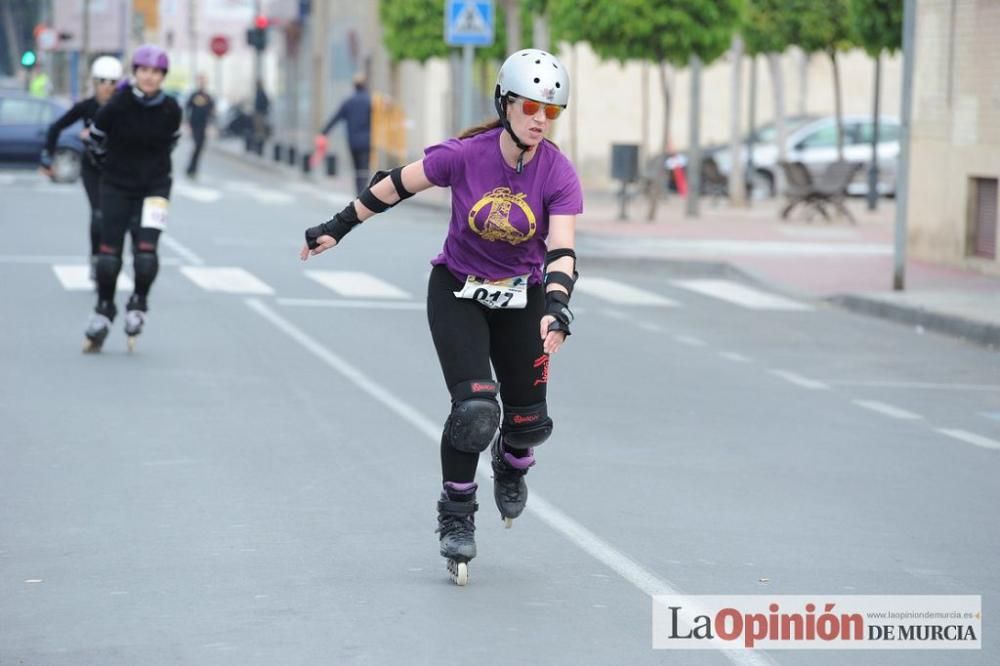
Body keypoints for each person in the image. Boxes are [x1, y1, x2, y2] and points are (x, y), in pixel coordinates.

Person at [300, 50, 582, 585]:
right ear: (504, 104)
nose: (539, 119)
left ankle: (511, 463)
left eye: (552, 110)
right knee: (476, 408)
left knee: (530, 425)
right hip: (457, 292)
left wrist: (558, 304)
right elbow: (392, 185)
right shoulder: (464, 156)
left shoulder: (558, 172)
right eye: (528, 106)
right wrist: (335, 227)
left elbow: (562, 249)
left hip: (523, 298)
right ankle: (456, 516)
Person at [82, 44, 182, 353]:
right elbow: (96, 141)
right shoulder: (117, 104)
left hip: (155, 188)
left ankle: (139, 303)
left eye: (155, 73)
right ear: (135, 73)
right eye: (144, 71)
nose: (149, 77)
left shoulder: (171, 109)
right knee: (109, 255)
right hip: (116, 186)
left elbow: (170, 144)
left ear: (162, 76)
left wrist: (149, 170)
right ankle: (104, 309)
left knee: (145, 253)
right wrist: (111, 168)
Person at [41, 55, 123, 279]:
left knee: (115, 218)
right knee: (98, 215)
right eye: (103, 81)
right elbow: (55, 127)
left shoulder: (123, 108)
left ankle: (112, 256)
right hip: (93, 169)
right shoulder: (86, 107)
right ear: (95, 83)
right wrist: (47, 157)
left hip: (117, 170)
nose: (107, 87)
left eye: (113, 82)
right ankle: (96, 258)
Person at [317, 72, 372, 195]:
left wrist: (324, 132)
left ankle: (358, 192)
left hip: (352, 141)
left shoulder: (348, 102)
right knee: (364, 168)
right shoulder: (370, 101)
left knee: (356, 167)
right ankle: (363, 193)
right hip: (367, 141)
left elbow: (335, 118)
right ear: (365, 85)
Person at [184, 74, 215, 178]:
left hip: (203, 125)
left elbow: (212, 112)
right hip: (194, 124)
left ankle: (193, 168)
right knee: (197, 145)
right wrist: (187, 124)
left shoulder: (208, 96)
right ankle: (191, 168)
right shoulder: (194, 95)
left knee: (200, 147)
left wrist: (211, 127)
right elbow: (187, 108)